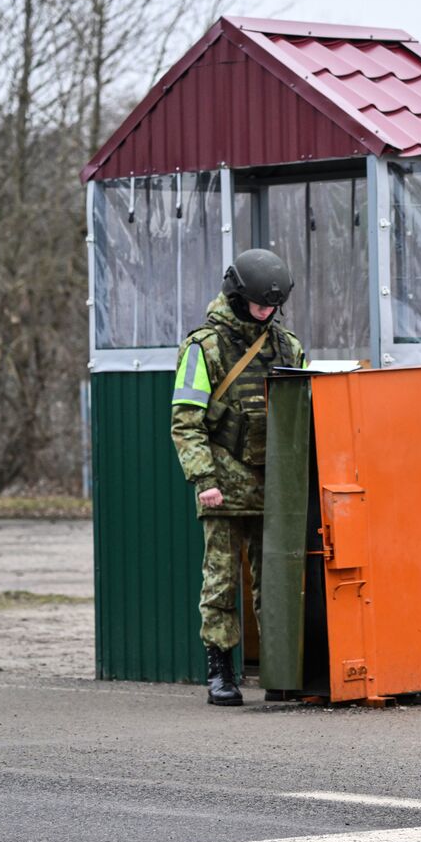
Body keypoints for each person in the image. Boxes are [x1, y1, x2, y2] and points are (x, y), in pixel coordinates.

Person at [170, 248, 305, 706]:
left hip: (277, 488)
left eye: (273, 306)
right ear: (236, 295)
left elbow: (304, 418)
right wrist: (204, 479)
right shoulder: (203, 348)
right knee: (221, 581)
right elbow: (186, 421)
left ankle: (281, 669)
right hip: (223, 486)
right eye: (258, 304)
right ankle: (220, 670)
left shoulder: (288, 346)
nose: (266, 312)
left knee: (278, 584)